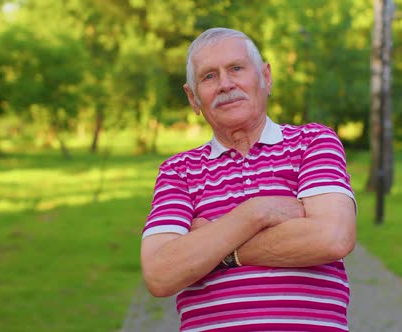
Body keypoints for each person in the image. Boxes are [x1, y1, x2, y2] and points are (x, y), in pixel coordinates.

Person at [141, 27, 357, 331]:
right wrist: (257, 212)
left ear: (265, 77)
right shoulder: (178, 171)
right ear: (193, 98)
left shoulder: (313, 142)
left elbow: (333, 237)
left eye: (236, 69)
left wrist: (216, 247)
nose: (225, 84)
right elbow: (159, 273)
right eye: (208, 76)